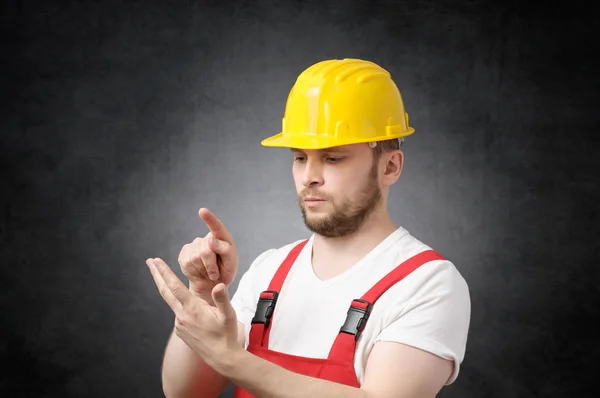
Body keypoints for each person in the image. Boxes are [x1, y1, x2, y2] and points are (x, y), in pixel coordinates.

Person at [146, 58, 471, 398]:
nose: (308, 176)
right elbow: (185, 394)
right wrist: (203, 299)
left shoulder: (428, 283)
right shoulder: (269, 271)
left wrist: (234, 361)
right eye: (300, 157)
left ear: (389, 167)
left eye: (332, 158)